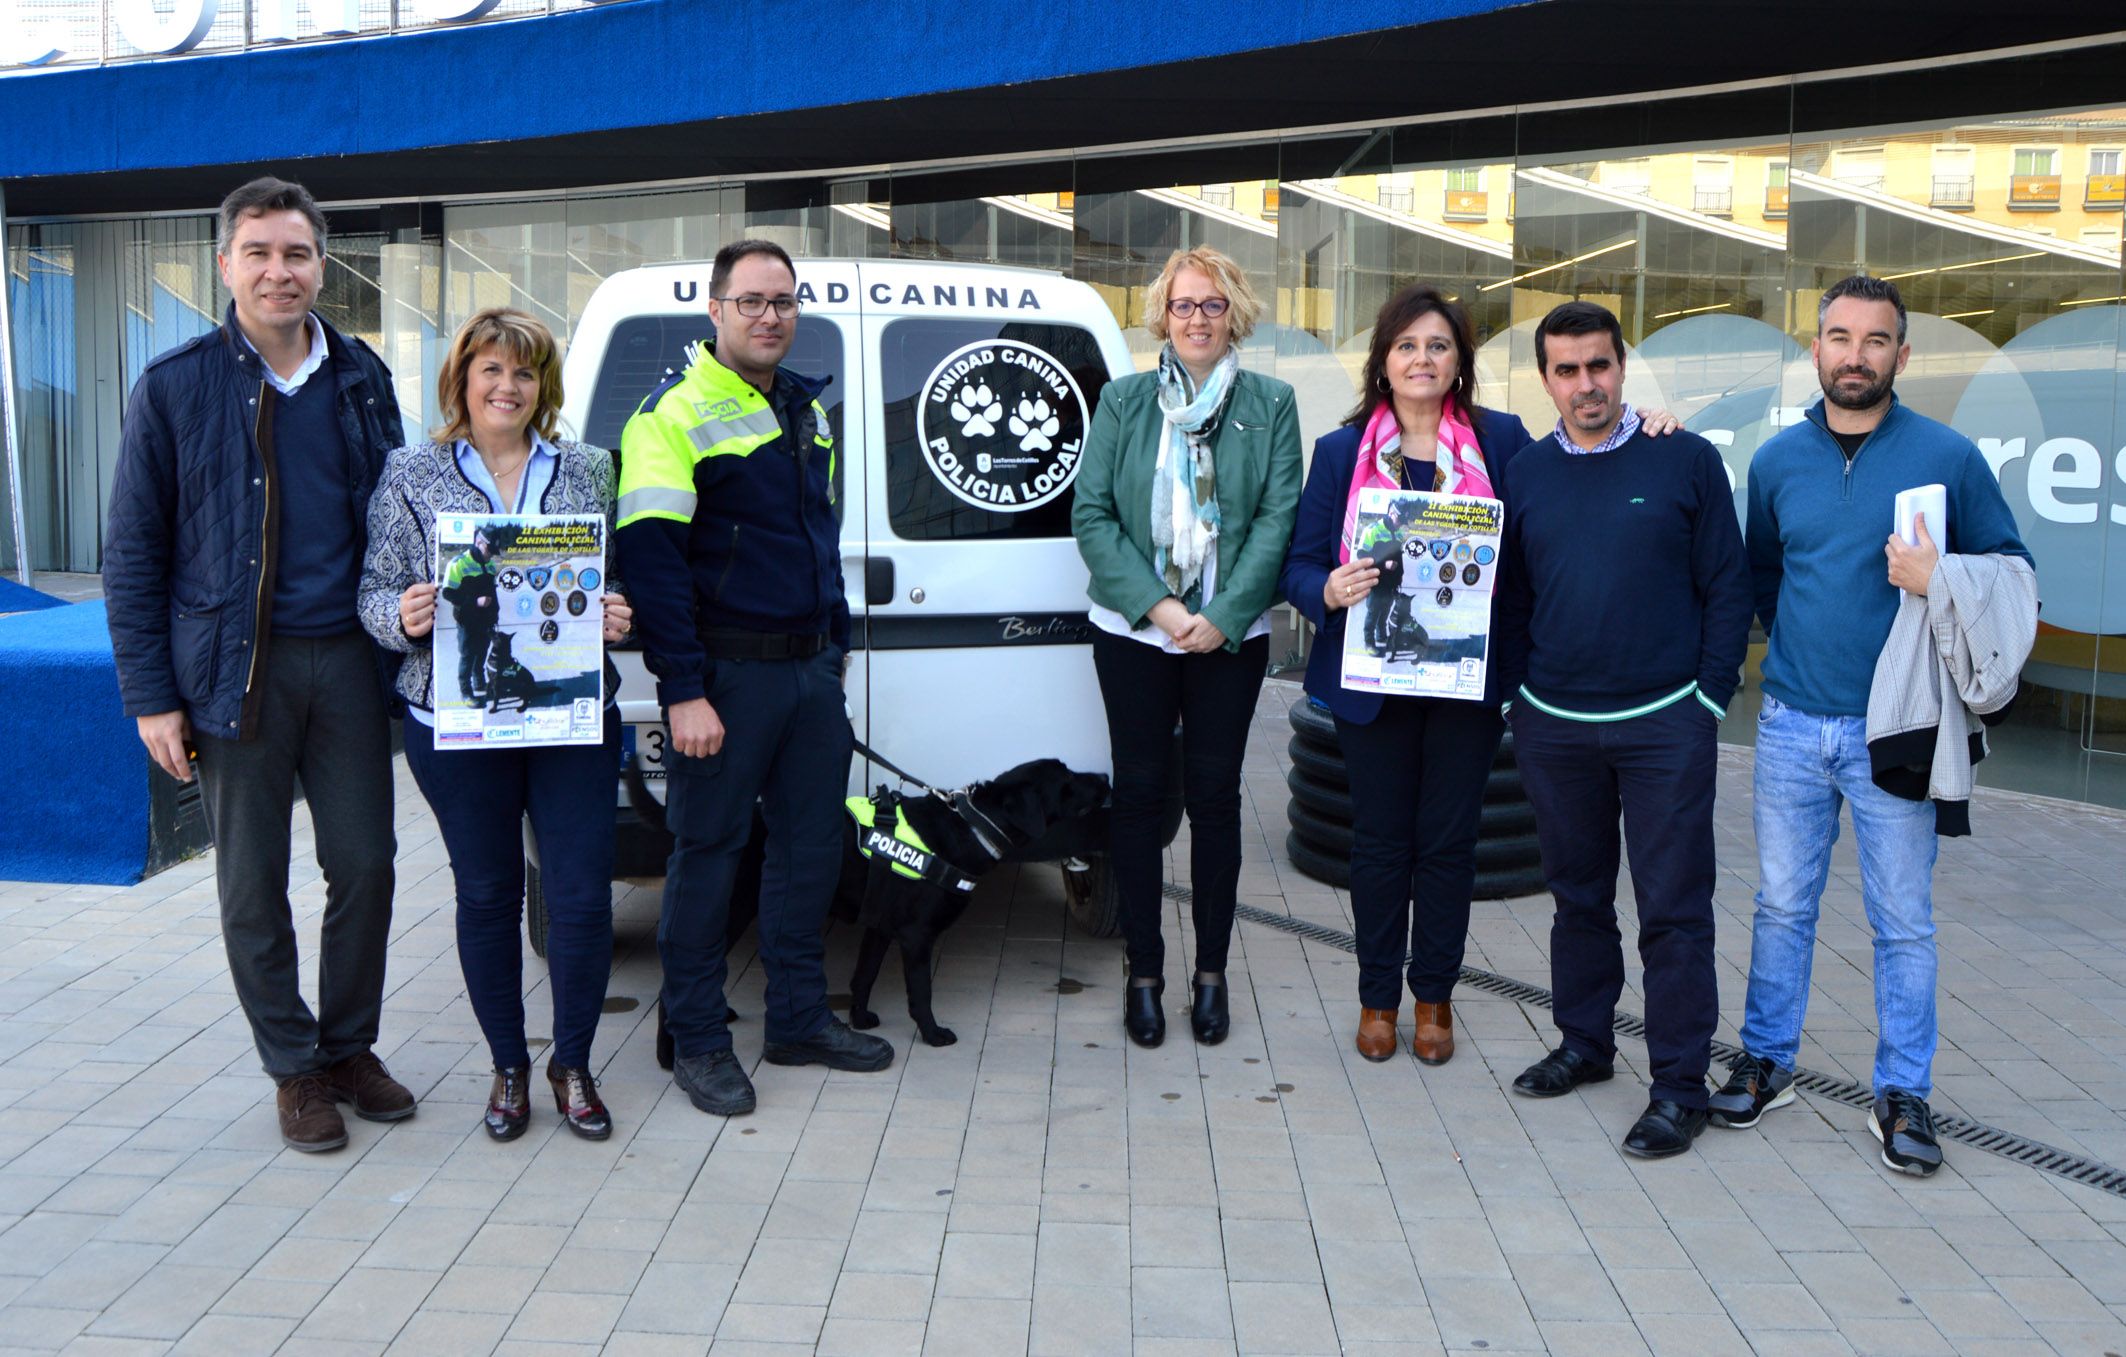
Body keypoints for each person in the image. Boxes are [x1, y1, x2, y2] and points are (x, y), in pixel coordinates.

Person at [102, 177, 414, 1152]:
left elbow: (400, 520)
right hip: (237, 674)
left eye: (297, 253)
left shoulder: (363, 375)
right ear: (227, 263)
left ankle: (349, 1044)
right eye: (260, 252)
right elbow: (131, 552)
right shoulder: (175, 385)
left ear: (322, 263)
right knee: (251, 883)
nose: (279, 271)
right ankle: (294, 1067)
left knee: (365, 862)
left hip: (350, 666)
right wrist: (152, 699)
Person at [1713, 275, 2032, 1177]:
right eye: (1840, 337)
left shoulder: (1949, 456)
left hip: (1900, 729)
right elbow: (1764, 578)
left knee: (1902, 921)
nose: (1856, 355)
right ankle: (1765, 1057)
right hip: (1789, 725)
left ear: (1902, 353)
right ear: (1815, 348)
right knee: (1781, 905)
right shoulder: (1776, 462)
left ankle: (1903, 1092)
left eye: (1876, 340)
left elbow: (2011, 569)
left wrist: (1942, 583)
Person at [616, 239, 890, 1117]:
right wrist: (683, 688)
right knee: (707, 857)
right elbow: (653, 564)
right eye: (751, 301)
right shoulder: (670, 414)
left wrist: (834, 652)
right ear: (715, 309)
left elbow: (820, 544)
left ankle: (799, 1019)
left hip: (809, 673)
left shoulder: (805, 411)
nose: (769, 316)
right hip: (724, 679)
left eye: (783, 302)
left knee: (810, 851)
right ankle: (697, 1038)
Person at [357, 308, 632, 1142]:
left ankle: (573, 1061)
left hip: (571, 714)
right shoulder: (411, 471)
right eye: (492, 371)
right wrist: (399, 616)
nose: (508, 387)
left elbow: (609, 577)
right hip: (455, 720)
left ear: (542, 385)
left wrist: (619, 614)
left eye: (525, 373)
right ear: (463, 380)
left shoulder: (587, 468)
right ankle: (509, 1065)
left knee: (581, 898)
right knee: (487, 894)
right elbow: (372, 590)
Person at [1493, 300, 1751, 1159]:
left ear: (1622, 365)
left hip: (1663, 727)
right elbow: (1514, 599)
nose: (1585, 384)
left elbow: (1727, 587)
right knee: (1577, 897)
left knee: (1674, 911)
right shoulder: (1526, 474)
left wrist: (1707, 701)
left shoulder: (1682, 458)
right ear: (1545, 380)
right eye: (1565, 370)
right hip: (1556, 725)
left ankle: (1680, 1085)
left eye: (1598, 365)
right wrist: (1517, 702)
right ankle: (1586, 1042)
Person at [1278, 285, 1532, 1064]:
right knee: (1382, 845)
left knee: (1449, 846)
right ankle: (1377, 999)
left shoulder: (1505, 441)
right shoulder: (1337, 452)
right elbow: (1297, 566)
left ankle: (1435, 1000)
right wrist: (1327, 588)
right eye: (1407, 346)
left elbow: (1533, 554)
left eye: (1438, 346)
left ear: (1460, 362)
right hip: (1373, 683)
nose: (1423, 359)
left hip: (1464, 685)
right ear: (1383, 362)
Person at [1071, 245, 1302, 1048]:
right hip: (1136, 632)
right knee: (1136, 798)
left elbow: (1278, 520)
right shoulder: (1124, 402)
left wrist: (1223, 615)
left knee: (1214, 801)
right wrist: (1163, 609)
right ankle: (1143, 971)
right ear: (1161, 315)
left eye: (1210, 305)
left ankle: (1210, 974)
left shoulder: (1271, 403)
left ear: (1232, 312)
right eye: (1182, 305)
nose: (1196, 319)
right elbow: (1092, 515)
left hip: (1229, 639)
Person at [438, 525, 501, 703]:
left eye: (494, 551)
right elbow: (448, 593)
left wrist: (495, 614)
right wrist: (475, 601)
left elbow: (492, 594)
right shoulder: (458, 563)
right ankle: (466, 692)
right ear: (478, 542)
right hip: (466, 619)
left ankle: (479, 683)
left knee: (481, 651)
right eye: (490, 550)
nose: (491, 555)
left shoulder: (489, 564)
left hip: (485, 620)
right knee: (467, 654)